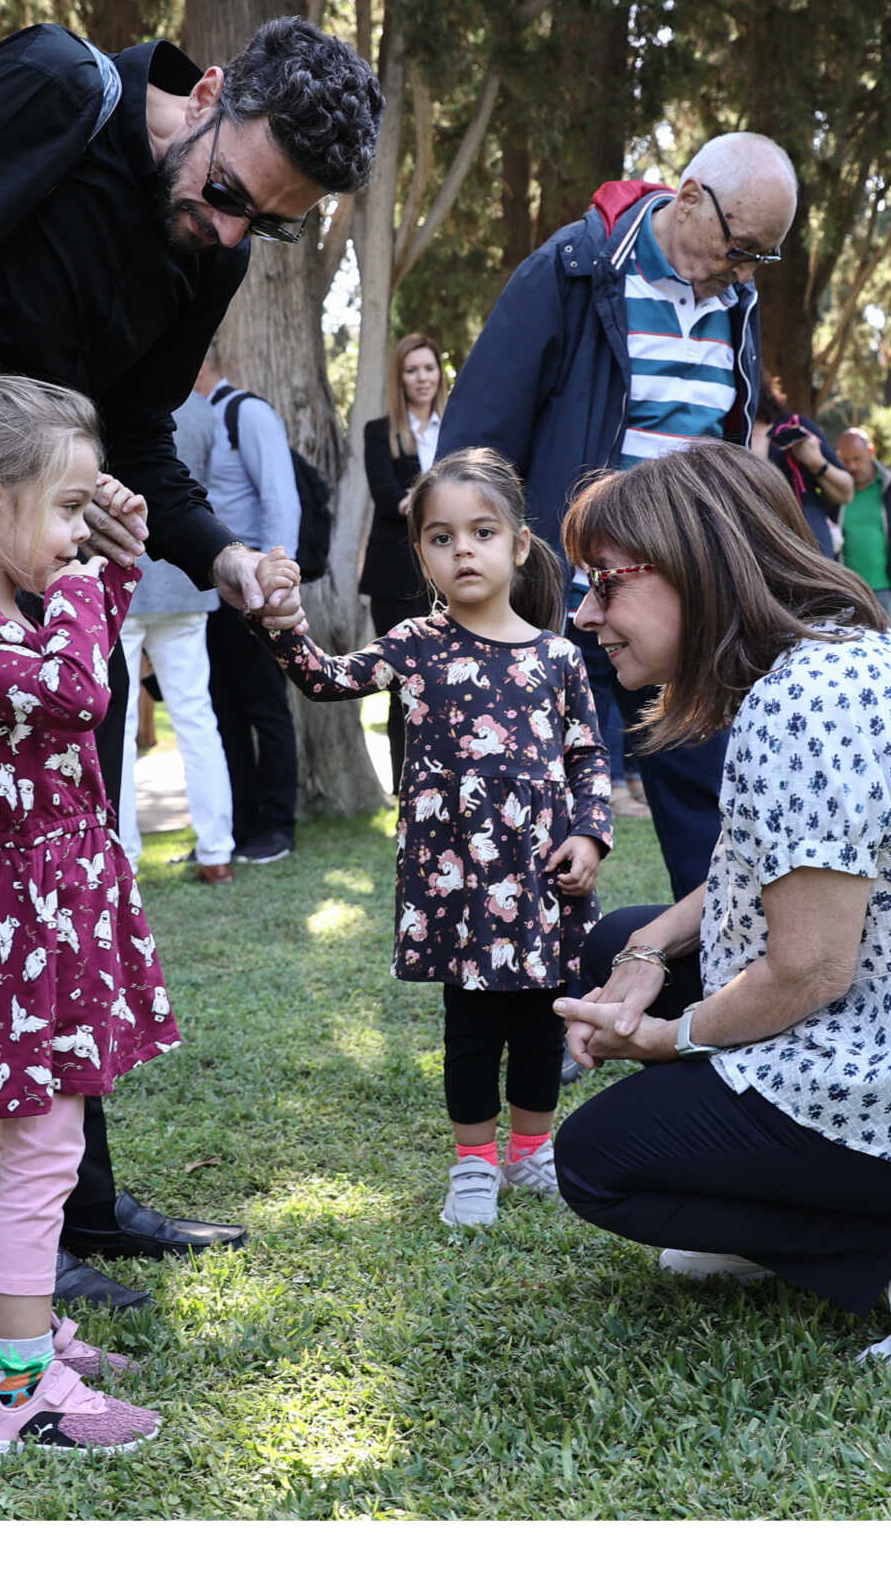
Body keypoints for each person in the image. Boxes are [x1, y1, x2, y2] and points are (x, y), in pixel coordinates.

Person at [0, 14, 380, 1314]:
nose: (235, 234)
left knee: (58, 883)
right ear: (207, 91)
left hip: (39, 566)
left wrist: (226, 552)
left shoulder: (207, 237)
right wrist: (21, 474)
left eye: (275, 225)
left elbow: (137, 422)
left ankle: (79, 1200)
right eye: (236, 193)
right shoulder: (48, 88)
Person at [544, 445, 891, 1369]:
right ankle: (782, 1206)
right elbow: (760, 870)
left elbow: (811, 968)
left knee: (600, 1163)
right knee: (614, 939)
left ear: (698, 563)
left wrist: (664, 1038)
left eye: (607, 585)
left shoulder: (804, 705)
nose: (587, 615)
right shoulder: (831, 656)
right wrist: (646, 951)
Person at [0, 375, 178, 1456]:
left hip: (50, 911)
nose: (76, 533)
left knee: (44, 1143)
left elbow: (87, 654)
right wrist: (86, 582)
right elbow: (79, 692)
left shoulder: (12, 618)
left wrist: (108, 557)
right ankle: (18, 1389)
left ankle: (25, 1337)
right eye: (64, 510)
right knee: (42, 1148)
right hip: (20, 922)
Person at [442, 131, 798, 900]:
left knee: (709, 806)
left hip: (683, 613)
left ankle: (723, 987)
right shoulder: (574, 270)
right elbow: (478, 437)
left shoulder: (738, 301)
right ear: (692, 196)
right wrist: (486, 587)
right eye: (741, 248)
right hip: (559, 606)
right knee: (541, 815)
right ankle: (542, 1002)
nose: (745, 270)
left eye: (762, 258)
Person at [265, 449, 612, 1227]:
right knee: (471, 1027)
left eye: (483, 533)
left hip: (539, 875)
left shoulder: (558, 657)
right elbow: (327, 679)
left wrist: (590, 837)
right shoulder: (416, 643)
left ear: (519, 545)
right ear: (420, 552)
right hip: (456, 875)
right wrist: (282, 625)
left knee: (538, 1022)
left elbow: (588, 755)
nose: (464, 550)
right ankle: (474, 1168)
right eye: (441, 537)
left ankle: (531, 1154)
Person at [117, 382, 234, 882]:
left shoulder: (113, 398)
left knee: (116, 726)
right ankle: (216, 852)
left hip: (120, 578)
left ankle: (124, 858)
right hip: (186, 580)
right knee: (196, 717)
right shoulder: (205, 412)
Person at [198, 346, 303, 866]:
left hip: (259, 593)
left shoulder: (247, 413)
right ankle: (237, 827)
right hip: (209, 596)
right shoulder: (186, 420)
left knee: (268, 709)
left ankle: (279, 826)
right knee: (224, 713)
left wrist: (276, 591)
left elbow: (282, 500)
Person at [359, 331, 448, 786]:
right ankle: (406, 788)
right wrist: (444, 503)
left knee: (449, 682)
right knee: (401, 685)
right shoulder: (380, 431)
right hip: (395, 577)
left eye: (428, 368)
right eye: (412, 370)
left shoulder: (456, 429)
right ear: (400, 378)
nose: (421, 378)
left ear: (440, 373)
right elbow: (387, 497)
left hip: (450, 575)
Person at [753, 377, 854, 553]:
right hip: (754, 537)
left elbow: (847, 492)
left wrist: (817, 463)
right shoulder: (724, 431)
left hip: (806, 535)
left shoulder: (793, 424)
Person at [835, 428, 891, 636]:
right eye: (845, 460)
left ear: (871, 452)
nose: (851, 466)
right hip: (849, 592)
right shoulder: (834, 490)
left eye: (857, 459)